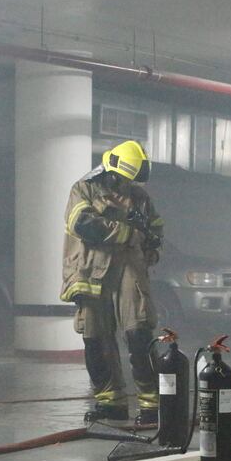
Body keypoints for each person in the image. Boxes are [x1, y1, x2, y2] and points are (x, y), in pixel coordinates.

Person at [60, 140, 163, 425]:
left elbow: (155, 230)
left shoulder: (140, 197)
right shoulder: (84, 189)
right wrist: (128, 233)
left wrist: (151, 247)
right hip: (91, 272)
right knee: (96, 339)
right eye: (122, 180)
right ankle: (111, 404)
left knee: (139, 333)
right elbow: (81, 223)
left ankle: (152, 405)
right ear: (112, 170)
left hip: (129, 268)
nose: (125, 186)